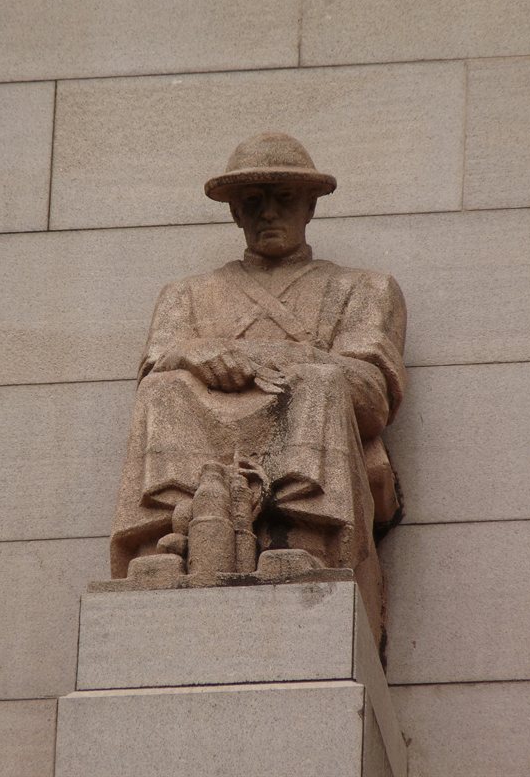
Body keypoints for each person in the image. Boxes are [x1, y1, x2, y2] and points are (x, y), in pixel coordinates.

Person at [110, 133, 407, 641]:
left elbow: (370, 397)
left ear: (310, 206)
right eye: (252, 201)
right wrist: (193, 354)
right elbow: (155, 367)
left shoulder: (364, 289)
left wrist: (283, 359)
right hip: (205, 431)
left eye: (284, 198)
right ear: (235, 213)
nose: (268, 212)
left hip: (308, 411)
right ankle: (172, 534)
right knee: (164, 389)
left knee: (321, 380)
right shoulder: (185, 295)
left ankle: (307, 534)